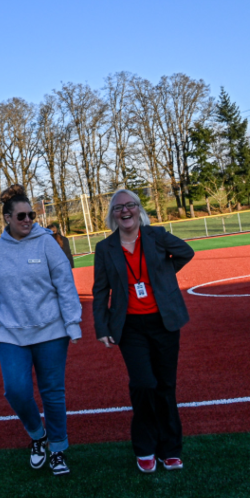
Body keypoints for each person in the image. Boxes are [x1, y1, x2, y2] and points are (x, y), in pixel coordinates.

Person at [0, 184, 82, 476]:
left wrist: (72, 323)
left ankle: (58, 450)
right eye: (21, 216)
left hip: (51, 331)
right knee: (16, 390)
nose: (27, 220)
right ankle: (39, 436)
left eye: (31, 215)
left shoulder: (47, 242)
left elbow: (64, 282)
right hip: (12, 333)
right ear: (7, 219)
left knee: (52, 393)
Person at [93, 189, 194, 473]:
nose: (125, 211)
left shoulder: (156, 235)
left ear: (139, 210)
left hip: (164, 322)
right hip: (130, 326)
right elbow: (100, 291)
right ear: (112, 214)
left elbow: (187, 252)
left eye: (131, 206)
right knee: (143, 385)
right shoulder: (105, 248)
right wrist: (101, 327)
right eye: (118, 208)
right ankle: (145, 446)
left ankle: (170, 449)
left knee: (165, 387)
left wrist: (163, 273)